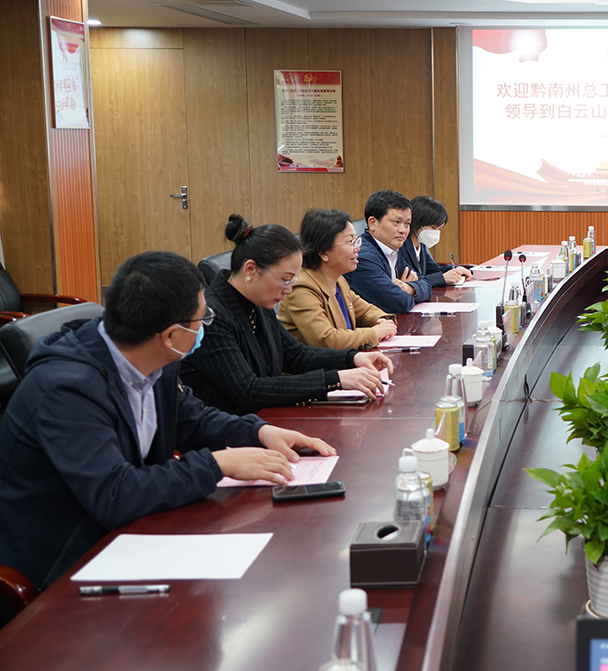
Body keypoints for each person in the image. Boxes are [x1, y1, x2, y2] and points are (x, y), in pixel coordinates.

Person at [0, 251, 336, 599]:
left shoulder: (150, 356)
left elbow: (191, 419)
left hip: (132, 536)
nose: (205, 326)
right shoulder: (66, 389)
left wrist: (258, 432)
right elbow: (113, 494)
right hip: (61, 565)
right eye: (201, 318)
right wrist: (216, 464)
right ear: (171, 336)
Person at [181, 215, 393, 416]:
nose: (289, 289)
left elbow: (295, 355)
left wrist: (353, 358)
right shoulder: (212, 316)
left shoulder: (256, 302)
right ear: (251, 270)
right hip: (228, 436)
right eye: (285, 279)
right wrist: (335, 379)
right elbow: (249, 390)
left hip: (265, 420)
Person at [278, 208, 398, 351]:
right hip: (317, 370)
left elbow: (365, 311)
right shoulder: (302, 288)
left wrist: (382, 321)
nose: (357, 248)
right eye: (350, 242)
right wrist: (374, 333)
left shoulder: (339, 280)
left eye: (356, 240)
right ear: (323, 252)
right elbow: (326, 340)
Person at [345, 190, 429, 313]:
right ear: (372, 223)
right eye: (396, 222)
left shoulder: (392, 250)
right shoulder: (362, 257)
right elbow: (398, 303)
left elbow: (426, 284)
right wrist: (400, 292)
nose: (403, 230)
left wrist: (408, 288)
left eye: (407, 224)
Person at [400, 195, 473, 287]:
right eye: (433, 228)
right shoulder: (400, 246)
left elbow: (433, 269)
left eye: (440, 228)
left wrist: (457, 269)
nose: (436, 232)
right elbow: (414, 280)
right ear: (417, 222)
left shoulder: (421, 245)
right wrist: (442, 278)